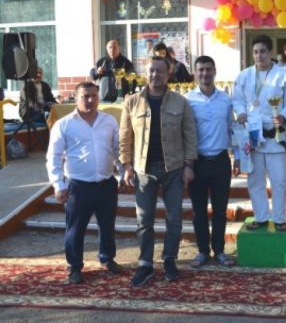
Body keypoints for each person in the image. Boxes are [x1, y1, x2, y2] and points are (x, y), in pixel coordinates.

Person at [119, 56, 197, 286]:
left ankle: (170, 259)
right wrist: (126, 165)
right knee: (144, 220)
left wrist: (189, 165)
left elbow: (190, 134)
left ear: (168, 73)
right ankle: (145, 264)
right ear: (146, 73)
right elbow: (125, 136)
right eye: (151, 70)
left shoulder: (180, 102)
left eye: (160, 71)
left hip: (173, 168)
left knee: (174, 218)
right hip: (143, 170)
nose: (155, 75)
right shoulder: (132, 102)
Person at [46, 82, 124, 284]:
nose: (90, 100)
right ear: (76, 98)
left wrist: (123, 173)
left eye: (93, 96)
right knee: (75, 228)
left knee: (107, 225)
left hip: (106, 184)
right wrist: (58, 185)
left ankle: (107, 258)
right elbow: (53, 156)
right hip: (78, 186)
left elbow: (117, 149)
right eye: (85, 96)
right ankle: (74, 266)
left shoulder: (109, 121)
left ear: (99, 97)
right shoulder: (64, 124)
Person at [232, 35, 286, 232]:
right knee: (255, 181)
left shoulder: (285, 75)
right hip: (253, 137)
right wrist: (241, 112)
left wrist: (284, 117)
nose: (259, 55)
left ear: (271, 52)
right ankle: (261, 217)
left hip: (275, 136)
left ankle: (279, 219)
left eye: (263, 51)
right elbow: (237, 99)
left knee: (278, 181)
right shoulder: (244, 76)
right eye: (255, 52)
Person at [185, 55, 238, 268]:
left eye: (208, 69)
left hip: (221, 162)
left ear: (215, 71)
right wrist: (187, 164)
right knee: (199, 212)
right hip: (197, 163)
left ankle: (220, 251)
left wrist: (237, 157)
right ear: (195, 73)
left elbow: (232, 129)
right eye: (201, 70)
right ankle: (202, 251)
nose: (205, 73)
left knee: (220, 210)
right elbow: (185, 133)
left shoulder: (226, 100)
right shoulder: (188, 100)